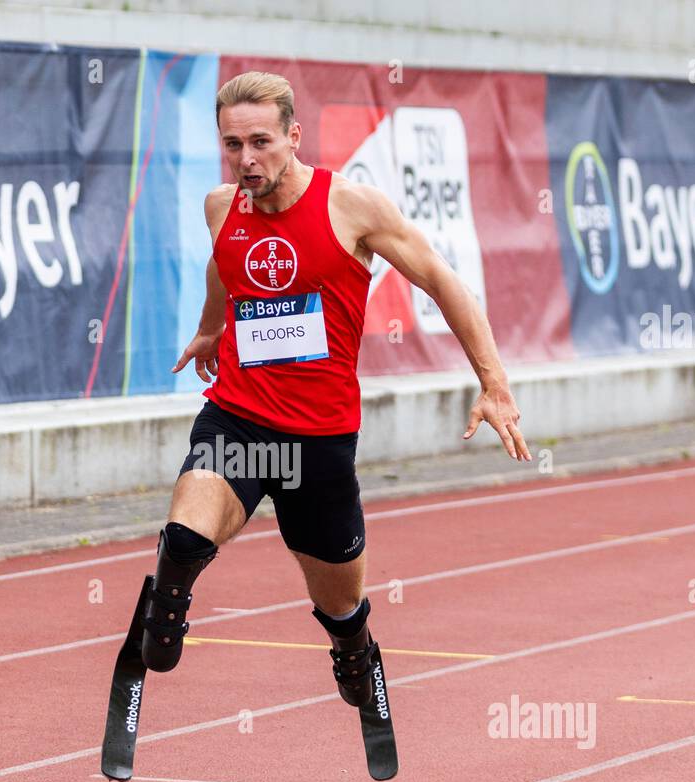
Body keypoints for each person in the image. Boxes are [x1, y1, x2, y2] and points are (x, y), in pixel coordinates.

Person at [139, 70, 530, 710]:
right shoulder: (221, 207)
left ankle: (353, 650)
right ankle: (165, 610)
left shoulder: (351, 207)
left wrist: (494, 383)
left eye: (261, 142)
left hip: (319, 442)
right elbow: (223, 262)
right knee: (183, 539)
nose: (247, 159)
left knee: (340, 604)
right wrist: (212, 330)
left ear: (294, 136)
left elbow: (441, 280)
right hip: (238, 420)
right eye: (233, 145)